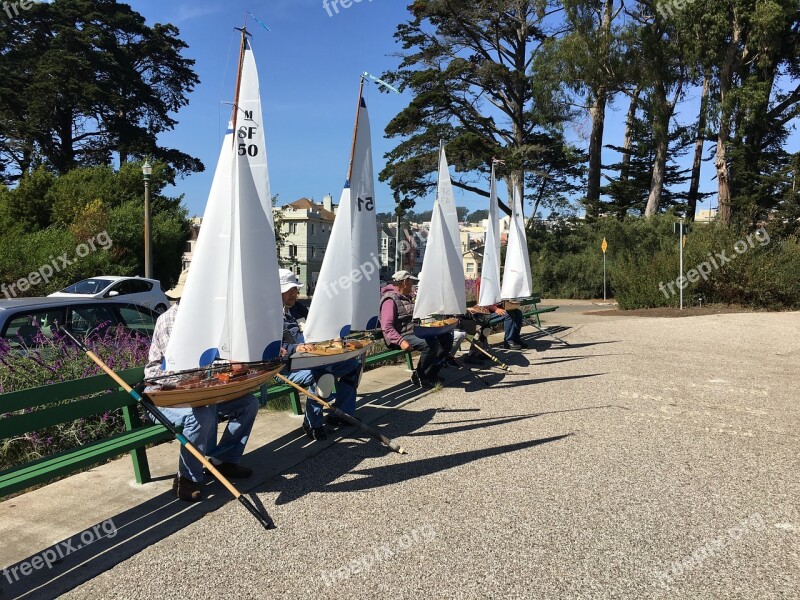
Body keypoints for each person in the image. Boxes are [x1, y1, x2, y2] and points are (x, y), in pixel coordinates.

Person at [145, 286, 258, 503]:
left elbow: (215, 358)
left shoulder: (208, 316)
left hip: (202, 391)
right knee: (202, 416)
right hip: (166, 393)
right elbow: (182, 369)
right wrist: (224, 367)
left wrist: (235, 364)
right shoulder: (172, 320)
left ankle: (223, 460)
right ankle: (187, 478)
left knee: (248, 404)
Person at [279, 269, 362, 441]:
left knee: (352, 366)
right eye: (289, 290)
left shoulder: (299, 308)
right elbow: (272, 348)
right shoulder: (270, 316)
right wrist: (296, 348)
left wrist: (333, 336)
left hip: (314, 359)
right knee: (322, 377)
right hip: (287, 367)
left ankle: (342, 414)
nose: (294, 293)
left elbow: (317, 327)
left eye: (295, 289)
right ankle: (312, 423)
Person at [380, 270, 454, 388]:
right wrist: (401, 341)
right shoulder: (389, 300)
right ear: (404, 282)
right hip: (400, 336)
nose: (413, 285)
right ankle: (420, 377)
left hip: (414, 332)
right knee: (430, 344)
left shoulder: (406, 297)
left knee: (446, 338)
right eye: (411, 282)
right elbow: (387, 327)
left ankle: (431, 373)